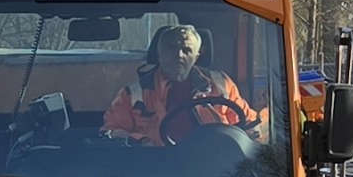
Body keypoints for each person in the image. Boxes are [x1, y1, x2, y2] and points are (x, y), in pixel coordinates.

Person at [102, 21, 263, 147]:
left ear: (197, 56)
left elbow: (250, 126)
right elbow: (110, 132)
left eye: (186, 50)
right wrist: (140, 141)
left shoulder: (222, 84)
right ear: (159, 52)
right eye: (172, 48)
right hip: (154, 169)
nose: (178, 55)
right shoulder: (133, 94)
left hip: (214, 169)